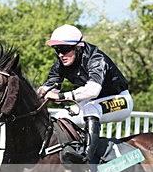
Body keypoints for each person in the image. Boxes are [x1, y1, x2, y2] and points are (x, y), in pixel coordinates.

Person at [37, 24, 133, 164]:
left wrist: (61, 97)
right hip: (94, 104)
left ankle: (86, 158)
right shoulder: (60, 64)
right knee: (60, 117)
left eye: (64, 49)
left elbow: (93, 91)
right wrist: (42, 91)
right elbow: (49, 87)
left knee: (90, 109)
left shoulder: (96, 59)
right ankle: (72, 150)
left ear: (78, 46)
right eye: (57, 50)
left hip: (120, 100)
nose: (60, 55)